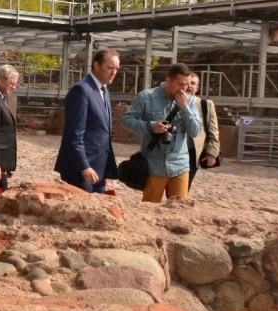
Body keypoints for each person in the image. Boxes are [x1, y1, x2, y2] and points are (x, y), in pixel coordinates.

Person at [121, 63, 202, 203]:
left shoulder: (189, 101)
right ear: (169, 80)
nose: (184, 89)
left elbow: (195, 131)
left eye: (187, 85)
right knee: (149, 211)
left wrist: (184, 108)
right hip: (154, 166)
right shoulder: (146, 97)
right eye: (180, 84)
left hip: (180, 166)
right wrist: (150, 126)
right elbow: (126, 121)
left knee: (179, 211)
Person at [55, 48, 121, 193]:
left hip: (98, 170)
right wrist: (84, 166)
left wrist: (105, 168)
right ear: (96, 66)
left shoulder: (104, 90)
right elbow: (73, 134)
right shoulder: (81, 90)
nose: (114, 72)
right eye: (110, 68)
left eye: (116, 69)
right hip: (80, 171)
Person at [186, 74, 221, 189]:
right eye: (187, 83)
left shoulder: (205, 105)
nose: (189, 86)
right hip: (172, 150)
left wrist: (212, 153)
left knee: (185, 183)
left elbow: (213, 130)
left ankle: (176, 203)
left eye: (193, 83)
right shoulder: (172, 101)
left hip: (193, 152)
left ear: (197, 87)